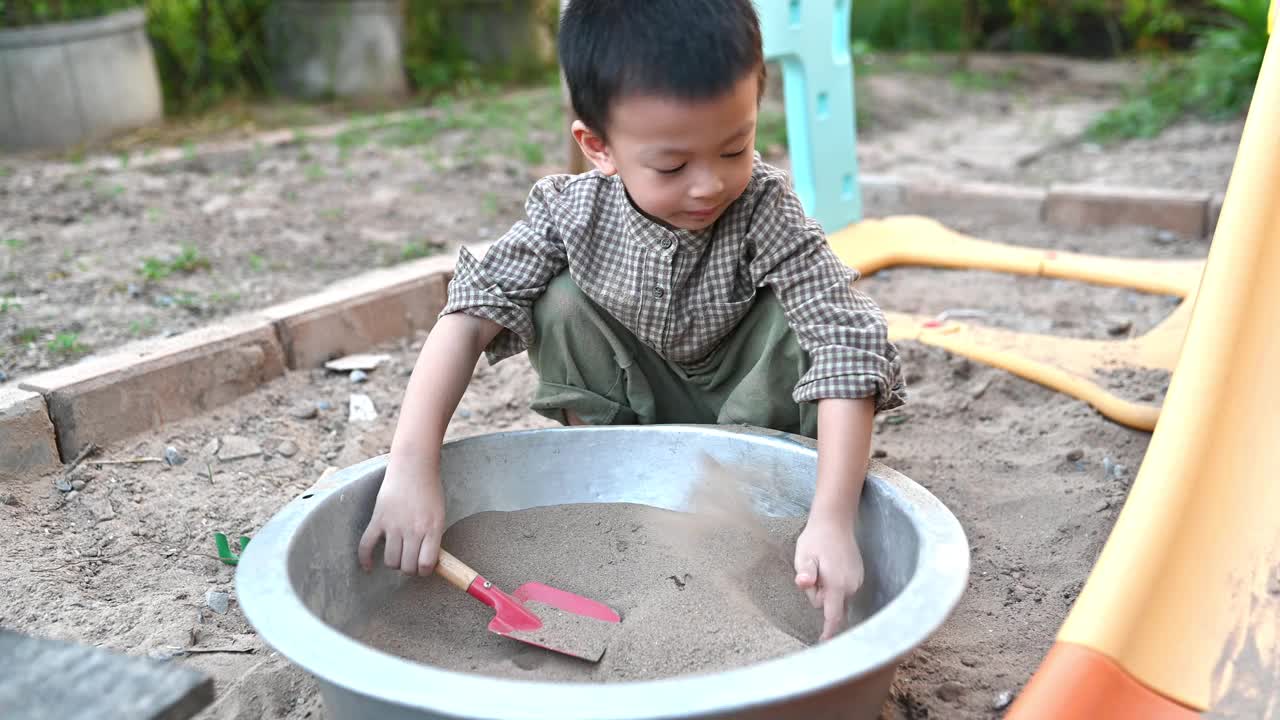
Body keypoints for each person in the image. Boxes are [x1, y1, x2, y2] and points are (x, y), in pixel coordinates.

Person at [358, 0, 905, 641]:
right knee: (558, 299)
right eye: (672, 165)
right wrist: (412, 465)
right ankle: (610, 479)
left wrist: (833, 519)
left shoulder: (765, 208)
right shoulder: (571, 214)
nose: (708, 185)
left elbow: (843, 343)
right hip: (636, 411)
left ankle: (782, 494)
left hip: (756, 414)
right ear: (599, 147)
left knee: (809, 323)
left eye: (735, 147)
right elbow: (468, 314)